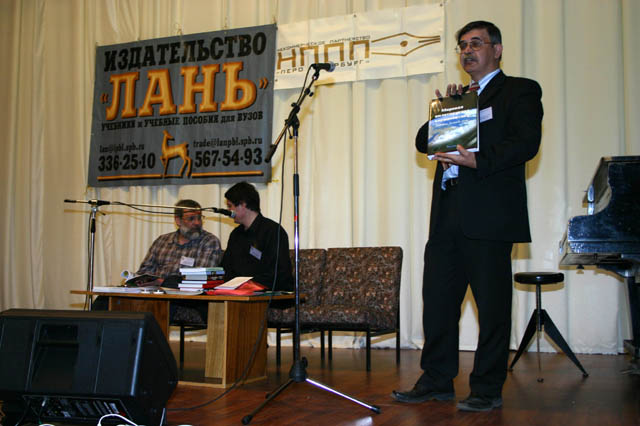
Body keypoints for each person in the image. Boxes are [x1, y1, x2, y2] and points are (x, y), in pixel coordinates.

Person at [392, 21, 543, 412]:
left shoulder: (519, 90)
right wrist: (445, 111)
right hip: (447, 213)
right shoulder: (459, 97)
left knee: (492, 307)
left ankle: (487, 388)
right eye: (462, 45)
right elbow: (423, 142)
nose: (467, 51)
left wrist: (478, 160)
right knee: (438, 302)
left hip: (489, 216)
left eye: (476, 43)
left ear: (497, 49)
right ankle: (436, 379)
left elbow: (526, 143)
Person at [221, 182, 294, 292]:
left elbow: (279, 274)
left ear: (243, 204)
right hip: (239, 293)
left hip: (269, 294)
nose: (228, 211)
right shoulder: (236, 234)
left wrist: (248, 284)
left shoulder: (273, 231)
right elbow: (226, 268)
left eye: (230, 206)